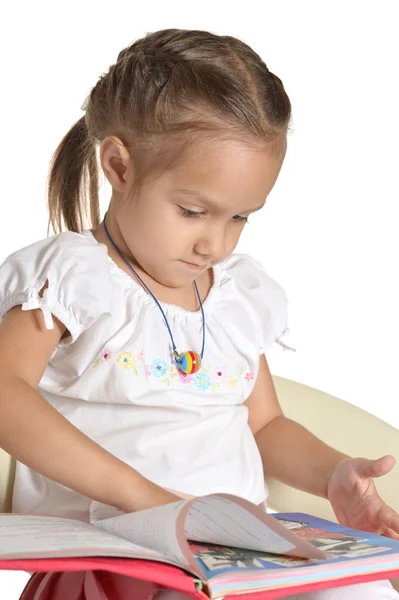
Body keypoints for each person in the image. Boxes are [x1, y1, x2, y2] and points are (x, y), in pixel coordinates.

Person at [0, 28, 397, 600]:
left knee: (361, 593)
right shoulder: (71, 279)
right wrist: (144, 497)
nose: (215, 243)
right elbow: (6, 391)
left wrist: (333, 473)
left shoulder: (237, 295)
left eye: (239, 218)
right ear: (118, 166)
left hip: (233, 557)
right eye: (192, 211)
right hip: (118, 559)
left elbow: (265, 426)